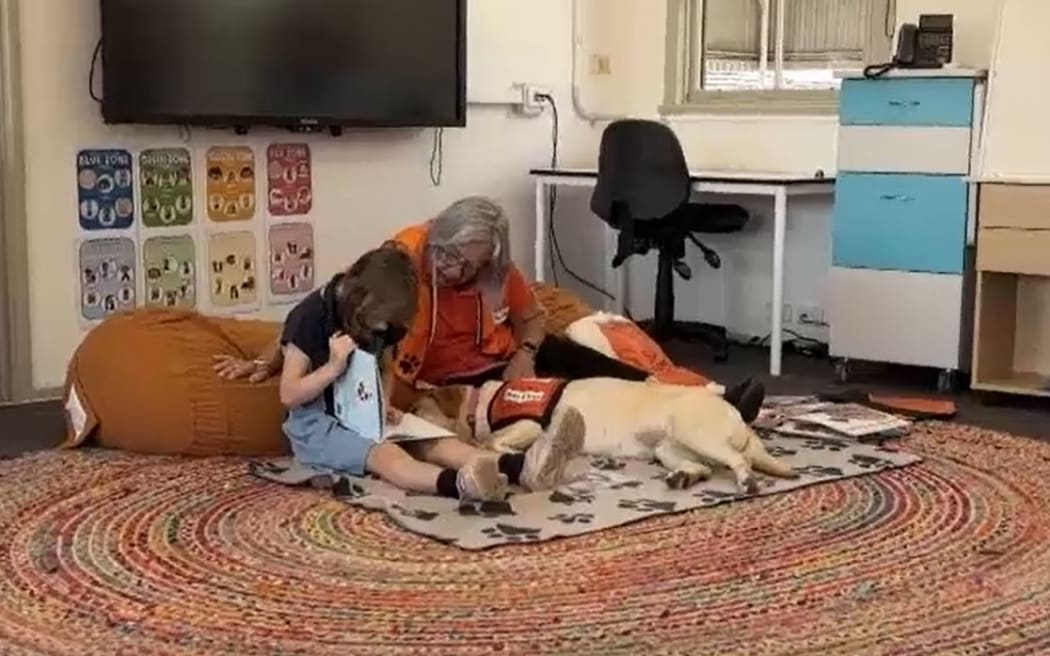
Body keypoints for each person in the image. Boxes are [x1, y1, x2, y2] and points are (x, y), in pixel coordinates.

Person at [216, 196, 764, 419]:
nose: (458, 271)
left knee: (599, 366)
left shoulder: (493, 267)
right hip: (454, 383)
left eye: (472, 265)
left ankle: (711, 402)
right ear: (438, 240)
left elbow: (532, 317)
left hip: (506, 362)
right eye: (452, 259)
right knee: (578, 401)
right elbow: (333, 307)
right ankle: (677, 415)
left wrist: (526, 351)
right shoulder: (401, 259)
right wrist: (268, 359)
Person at [253, 244, 581, 502]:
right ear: (359, 299)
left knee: (433, 439)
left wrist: (383, 404)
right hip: (317, 425)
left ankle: (522, 468)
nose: (382, 329)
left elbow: (385, 366)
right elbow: (289, 394)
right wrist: (332, 368)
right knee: (386, 454)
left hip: (362, 411)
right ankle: (458, 484)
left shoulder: (385, 322)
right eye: (376, 322)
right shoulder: (311, 316)